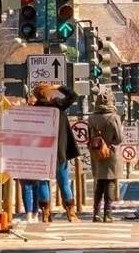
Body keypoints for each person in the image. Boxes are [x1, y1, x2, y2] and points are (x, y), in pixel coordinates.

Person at [29, 81, 81, 222]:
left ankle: (46, 214)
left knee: (43, 182)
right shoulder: (58, 106)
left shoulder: (33, 110)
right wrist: (58, 87)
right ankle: (71, 213)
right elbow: (73, 96)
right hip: (59, 152)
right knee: (64, 182)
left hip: (40, 152)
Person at [87, 91, 123, 223]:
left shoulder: (91, 118)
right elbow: (119, 139)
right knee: (110, 182)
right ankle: (108, 214)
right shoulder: (114, 118)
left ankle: (96, 213)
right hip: (110, 153)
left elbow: (88, 137)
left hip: (96, 152)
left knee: (99, 182)